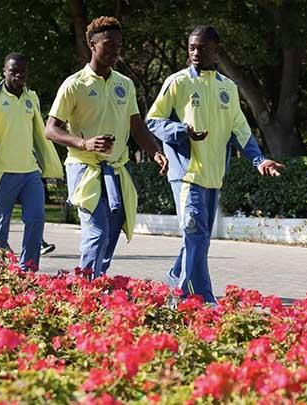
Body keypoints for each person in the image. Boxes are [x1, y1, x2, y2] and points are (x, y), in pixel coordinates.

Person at [146, 25, 285, 303]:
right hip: (186, 174)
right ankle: (192, 298)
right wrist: (180, 132)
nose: (196, 52)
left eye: (202, 47)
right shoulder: (178, 82)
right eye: (192, 47)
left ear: (215, 50)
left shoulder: (228, 88)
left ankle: (175, 277)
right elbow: (153, 120)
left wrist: (259, 159)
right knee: (195, 234)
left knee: (199, 240)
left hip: (214, 177)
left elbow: (240, 129)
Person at [45, 17, 168, 280]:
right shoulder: (74, 84)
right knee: (97, 230)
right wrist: (84, 143)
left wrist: (155, 151)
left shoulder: (125, 84)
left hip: (115, 169)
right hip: (84, 168)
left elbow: (137, 127)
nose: (115, 51)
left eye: (119, 46)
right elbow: (50, 129)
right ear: (92, 45)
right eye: (109, 45)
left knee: (112, 229)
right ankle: (85, 285)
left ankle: (98, 278)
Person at [0, 52, 63, 270]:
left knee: (36, 220)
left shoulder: (31, 97)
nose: (19, 75)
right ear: (4, 71)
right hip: (2, 171)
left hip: (30, 171)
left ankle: (27, 270)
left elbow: (39, 133)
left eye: (22, 71)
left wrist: (45, 162)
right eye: (14, 71)